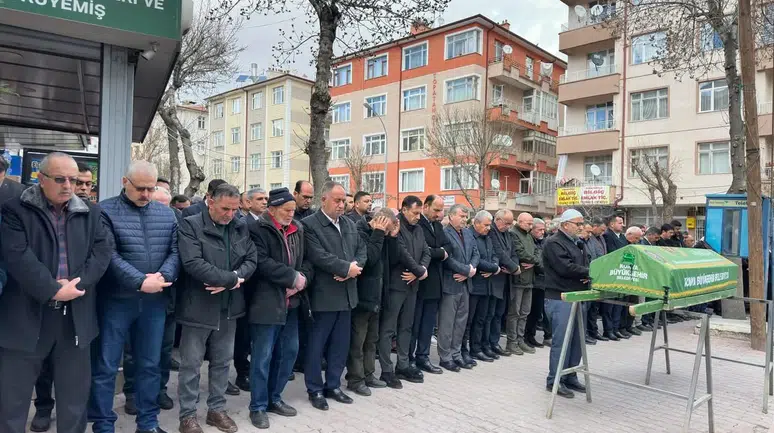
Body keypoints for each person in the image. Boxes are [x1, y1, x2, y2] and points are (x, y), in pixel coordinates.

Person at [0, 152, 111, 433]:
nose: (68, 186)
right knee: (12, 401)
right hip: (26, 316)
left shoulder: (92, 213)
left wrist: (76, 286)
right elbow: (16, 257)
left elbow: (102, 254)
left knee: (74, 400)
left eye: (73, 180)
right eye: (60, 179)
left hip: (75, 317)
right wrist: (52, 290)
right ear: (41, 178)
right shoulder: (14, 210)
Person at [89, 161, 179, 433]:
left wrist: (162, 277)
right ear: (124, 182)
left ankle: (148, 423)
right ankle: (104, 425)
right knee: (106, 367)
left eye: (151, 189)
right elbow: (108, 254)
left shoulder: (167, 215)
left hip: (154, 303)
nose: (146, 194)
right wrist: (140, 281)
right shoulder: (104, 210)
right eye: (140, 188)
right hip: (116, 301)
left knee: (150, 366)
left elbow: (175, 250)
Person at [176, 183, 258, 433]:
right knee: (190, 365)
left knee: (223, 362)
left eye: (234, 209)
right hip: (197, 307)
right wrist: (232, 279)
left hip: (229, 307)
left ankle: (216, 410)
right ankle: (188, 416)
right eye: (225, 208)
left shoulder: (240, 226)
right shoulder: (191, 225)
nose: (230, 214)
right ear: (210, 201)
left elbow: (251, 259)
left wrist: (232, 280)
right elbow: (193, 263)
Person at [246, 187, 311, 429]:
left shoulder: (298, 229)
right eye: (287, 210)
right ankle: (258, 406)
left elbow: (306, 261)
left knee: (289, 352)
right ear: (272, 209)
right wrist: (291, 278)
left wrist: (302, 279)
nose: (291, 214)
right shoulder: (256, 228)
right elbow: (261, 263)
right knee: (262, 357)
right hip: (265, 302)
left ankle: (275, 397)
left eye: (293, 210)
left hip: (291, 302)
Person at [301, 181, 366, 410]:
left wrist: (353, 268)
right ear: (324, 199)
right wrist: (344, 268)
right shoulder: (309, 225)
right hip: (324, 296)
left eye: (344, 201)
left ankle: (333, 385)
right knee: (317, 346)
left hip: (347, 294)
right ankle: (315, 388)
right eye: (337, 200)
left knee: (340, 344)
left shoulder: (348, 224)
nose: (342, 205)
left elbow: (361, 250)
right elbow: (317, 256)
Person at [379, 195, 430, 388]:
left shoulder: (418, 229)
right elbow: (401, 253)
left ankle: (403, 364)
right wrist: (419, 271)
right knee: (388, 328)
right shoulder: (396, 226)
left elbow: (426, 251)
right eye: (415, 213)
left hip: (413, 284)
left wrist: (420, 272)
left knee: (406, 327)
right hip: (396, 284)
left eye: (420, 213)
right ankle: (386, 369)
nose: (418, 217)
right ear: (404, 209)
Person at [346, 208, 396, 396]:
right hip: (362, 296)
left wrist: (391, 237)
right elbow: (370, 259)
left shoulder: (383, 235)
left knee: (371, 340)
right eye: (389, 227)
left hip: (377, 295)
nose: (390, 231)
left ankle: (368, 374)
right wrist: (379, 233)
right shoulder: (360, 232)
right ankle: (355, 379)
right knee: (358, 341)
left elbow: (391, 259)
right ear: (381, 221)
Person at [543, 209, 590, 399]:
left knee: (577, 340)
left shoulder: (577, 242)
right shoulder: (554, 243)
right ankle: (555, 380)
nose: (581, 227)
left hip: (577, 295)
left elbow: (582, 264)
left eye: (581, 224)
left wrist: (586, 275)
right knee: (562, 341)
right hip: (560, 297)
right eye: (577, 224)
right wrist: (588, 272)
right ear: (565, 225)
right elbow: (565, 268)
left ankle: (570, 375)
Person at [232, 188, 269, 394]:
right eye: (260, 199)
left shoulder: (266, 222)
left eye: (266, 199)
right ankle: (242, 372)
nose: (264, 202)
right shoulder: (243, 223)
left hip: (263, 287)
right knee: (243, 334)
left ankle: (255, 369)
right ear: (247, 202)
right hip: (246, 284)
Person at [410, 195, 449, 374]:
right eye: (436, 210)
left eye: (441, 211)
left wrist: (439, 251)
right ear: (426, 206)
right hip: (420, 282)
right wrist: (439, 252)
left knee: (427, 324)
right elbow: (422, 251)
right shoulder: (418, 224)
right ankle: (409, 359)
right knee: (414, 324)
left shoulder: (438, 226)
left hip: (435, 282)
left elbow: (448, 247)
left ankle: (423, 357)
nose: (439, 214)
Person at [438, 204, 479, 372]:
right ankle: (445, 357)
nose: (464, 219)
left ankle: (456, 354)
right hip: (451, 282)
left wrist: (470, 271)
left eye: (466, 216)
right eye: (462, 216)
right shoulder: (444, 233)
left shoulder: (468, 233)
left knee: (461, 322)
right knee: (447, 323)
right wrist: (466, 270)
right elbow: (447, 259)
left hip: (465, 283)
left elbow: (476, 253)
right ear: (451, 216)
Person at [464, 210, 500, 363]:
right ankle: (467, 350)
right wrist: (493, 268)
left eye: (489, 225)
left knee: (482, 319)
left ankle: (478, 348)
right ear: (476, 223)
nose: (488, 228)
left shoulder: (488, 237)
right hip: (474, 284)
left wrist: (495, 267)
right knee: (469, 320)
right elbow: (476, 259)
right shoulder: (469, 236)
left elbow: (495, 255)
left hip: (486, 285)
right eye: (485, 225)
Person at [487, 210, 519, 357]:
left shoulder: (507, 233)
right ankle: (487, 343)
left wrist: (515, 267)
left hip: (507, 279)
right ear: (497, 220)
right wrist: (513, 267)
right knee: (490, 314)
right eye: (506, 223)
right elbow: (499, 253)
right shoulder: (492, 231)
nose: (508, 226)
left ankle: (494, 342)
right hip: (495, 278)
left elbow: (513, 253)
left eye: (510, 223)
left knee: (500, 313)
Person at [508, 213, 540, 356]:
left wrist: (534, 261)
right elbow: (520, 253)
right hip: (518, 279)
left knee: (525, 312)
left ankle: (520, 340)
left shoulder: (528, 235)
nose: (531, 226)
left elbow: (537, 252)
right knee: (515, 312)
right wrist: (535, 260)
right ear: (520, 222)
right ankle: (512, 342)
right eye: (528, 223)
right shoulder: (513, 234)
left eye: (532, 223)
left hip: (530, 278)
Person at [601, 215, 628, 341]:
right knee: (609, 304)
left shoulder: (622, 237)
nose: (622, 225)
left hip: (622, 273)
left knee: (619, 303)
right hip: (611, 273)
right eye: (620, 222)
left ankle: (616, 328)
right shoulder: (607, 236)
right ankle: (608, 330)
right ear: (612, 224)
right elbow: (612, 253)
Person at [583, 218, 608, 343]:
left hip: (596, 276)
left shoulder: (599, 238)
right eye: (601, 230)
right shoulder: (585, 240)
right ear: (594, 226)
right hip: (587, 276)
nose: (602, 233)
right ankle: (585, 333)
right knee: (586, 307)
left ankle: (593, 331)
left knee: (594, 307)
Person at [525, 218, 548, 348]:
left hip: (541, 282)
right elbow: (537, 261)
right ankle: (525, 336)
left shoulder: (544, 242)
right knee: (528, 311)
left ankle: (531, 336)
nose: (542, 232)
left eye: (543, 229)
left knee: (536, 311)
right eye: (539, 229)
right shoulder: (529, 241)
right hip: (531, 281)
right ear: (532, 230)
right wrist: (537, 265)